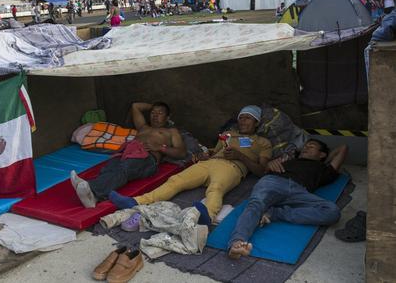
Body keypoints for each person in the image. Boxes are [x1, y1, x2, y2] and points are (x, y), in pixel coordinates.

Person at [110, 105, 272, 226]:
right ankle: (136, 202)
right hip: (211, 163)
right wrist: (205, 155)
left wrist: (240, 157)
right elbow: (214, 153)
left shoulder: (263, 143)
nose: (243, 121)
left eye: (248, 118)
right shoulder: (228, 135)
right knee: (175, 180)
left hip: (233, 168)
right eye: (241, 117)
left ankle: (207, 216)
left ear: (256, 123)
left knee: (216, 188)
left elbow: (261, 170)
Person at [227, 140, 347, 259]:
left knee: (332, 212)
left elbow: (343, 147)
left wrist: (324, 160)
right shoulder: (289, 159)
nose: (306, 147)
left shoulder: (324, 169)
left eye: (311, 146)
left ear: (322, 154)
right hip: (274, 181)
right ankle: (237, 243)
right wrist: (269, 165)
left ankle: (273, 213)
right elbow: (264, 168)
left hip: (299, 191)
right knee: (255, 204)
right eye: (305, 146)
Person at [71, 102, 186, 208]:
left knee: (126, 167)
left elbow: (182, 153)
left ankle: (91, 188)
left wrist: (161, 148)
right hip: (128, 154)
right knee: (110, 167)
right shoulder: (143, 127)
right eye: (153, 113)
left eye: (160, 113)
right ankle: (93, 198)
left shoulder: (171, 132)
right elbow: (135, 106)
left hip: (148, 159)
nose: (155, 115)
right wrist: (153, 106)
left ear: (168, 117)